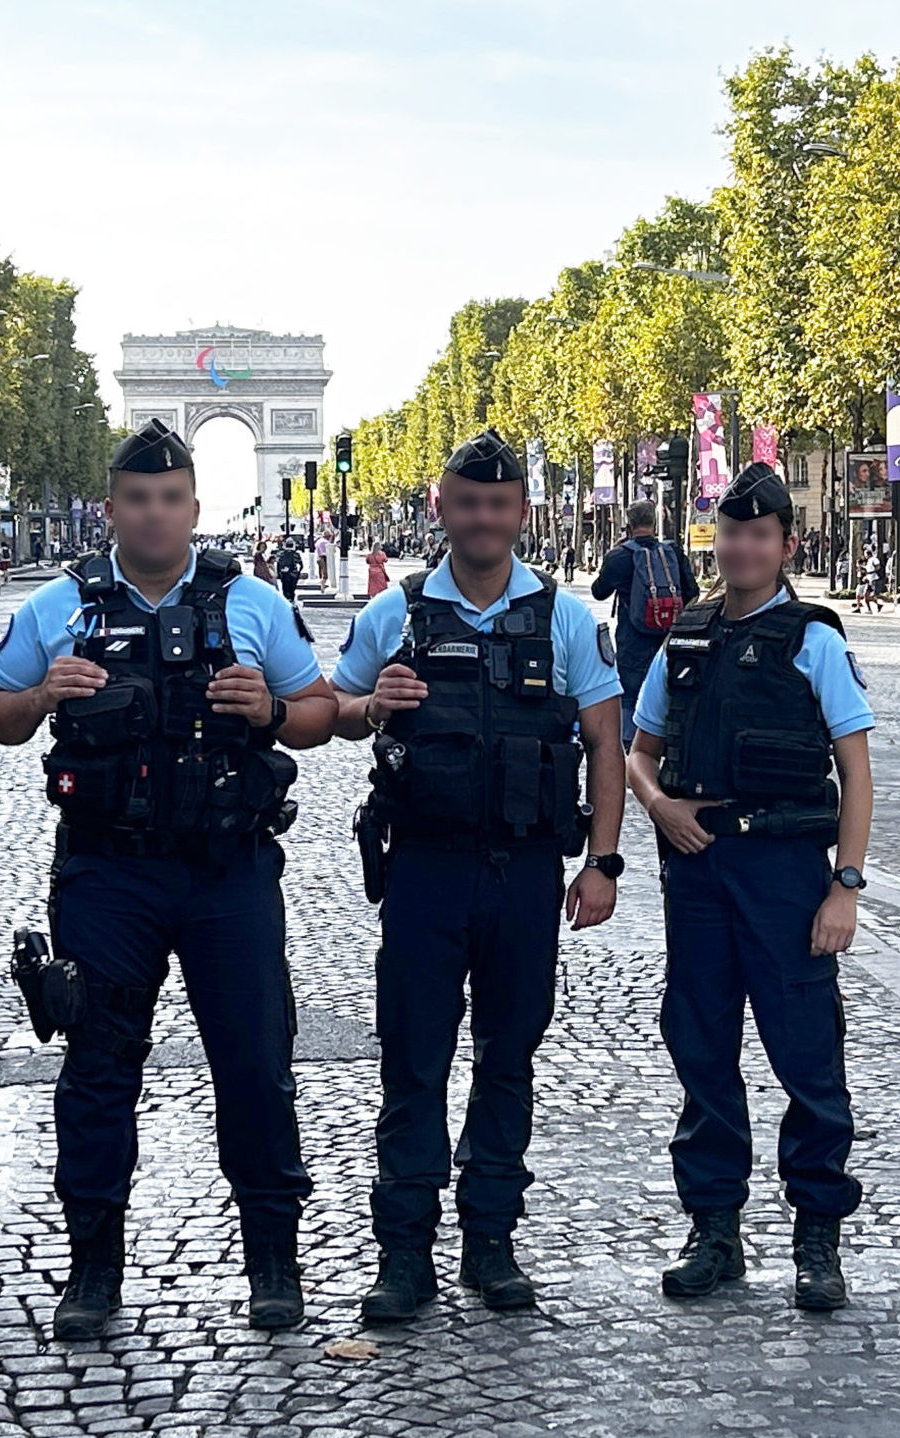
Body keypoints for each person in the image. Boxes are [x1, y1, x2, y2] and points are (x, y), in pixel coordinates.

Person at [0, 418, 338, 1338]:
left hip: (228, 870)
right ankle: (91, 1269)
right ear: (113, 507)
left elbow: (321, 712)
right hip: (107, 870)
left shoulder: (252, 601)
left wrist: (271, 709)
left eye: (170, 498)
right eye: (137, 498)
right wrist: (37, 696)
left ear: (193, 506)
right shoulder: (62, 606)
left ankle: (274, 1263)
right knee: (97, 1068)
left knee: (255, 1066)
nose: (153, 514)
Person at [330, 427, 625, 1323]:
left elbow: (607, 745)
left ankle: (491, 1242)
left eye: (499, 504)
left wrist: (603, 862)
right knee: (412, 1063)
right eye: (468, 502)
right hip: (423, 869)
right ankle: (404, 1254)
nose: (484, 518)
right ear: (442, 508)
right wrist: (370, 703)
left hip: (526, 871)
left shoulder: (566, 617)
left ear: (519, 513)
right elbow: (328, 710)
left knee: (509, 1060)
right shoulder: (398, 613)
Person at [624, 464, 872, 1311]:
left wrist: (844, 888)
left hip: (785, 873)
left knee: (807, 1057)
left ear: (783, 545)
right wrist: (660, 808)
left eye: (759, 535)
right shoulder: (686, 638)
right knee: (701, 1052)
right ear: (718, 540)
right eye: (731, 534)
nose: (742, 548)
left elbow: (857, 774)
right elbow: (638, 751)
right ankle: (714, 1229)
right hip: (697, 868)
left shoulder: (815, 640)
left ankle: (817, 1237)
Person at [592, 502, 698, 748]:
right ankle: (668, 744)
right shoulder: (673, 553)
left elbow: (599, 592)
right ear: (653, 523)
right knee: (668, 688)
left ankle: (631, 748)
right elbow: (692, 591)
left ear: (628, 525)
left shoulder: (620, 556)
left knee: (629, 694)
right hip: (668, 637)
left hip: (632, 638)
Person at [273, 537, 304, 605]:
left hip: (284, 574)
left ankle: (287, 602)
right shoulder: (296, 554)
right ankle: (291, 601)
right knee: (292, 589)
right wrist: (298, 573)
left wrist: (279, 574)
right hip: (293, 574)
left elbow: (278, 565)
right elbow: (301, 565)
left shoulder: (281, 554)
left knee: (285, 588)